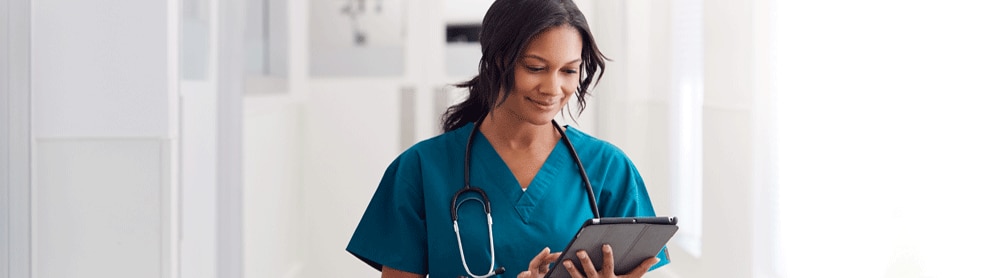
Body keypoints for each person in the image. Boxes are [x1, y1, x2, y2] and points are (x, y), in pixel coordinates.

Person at [347, 0, 668, 277]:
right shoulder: (419, 169)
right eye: (535, 67)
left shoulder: (609, 169)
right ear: (495, 61)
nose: (553, 88)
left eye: (569, 71)